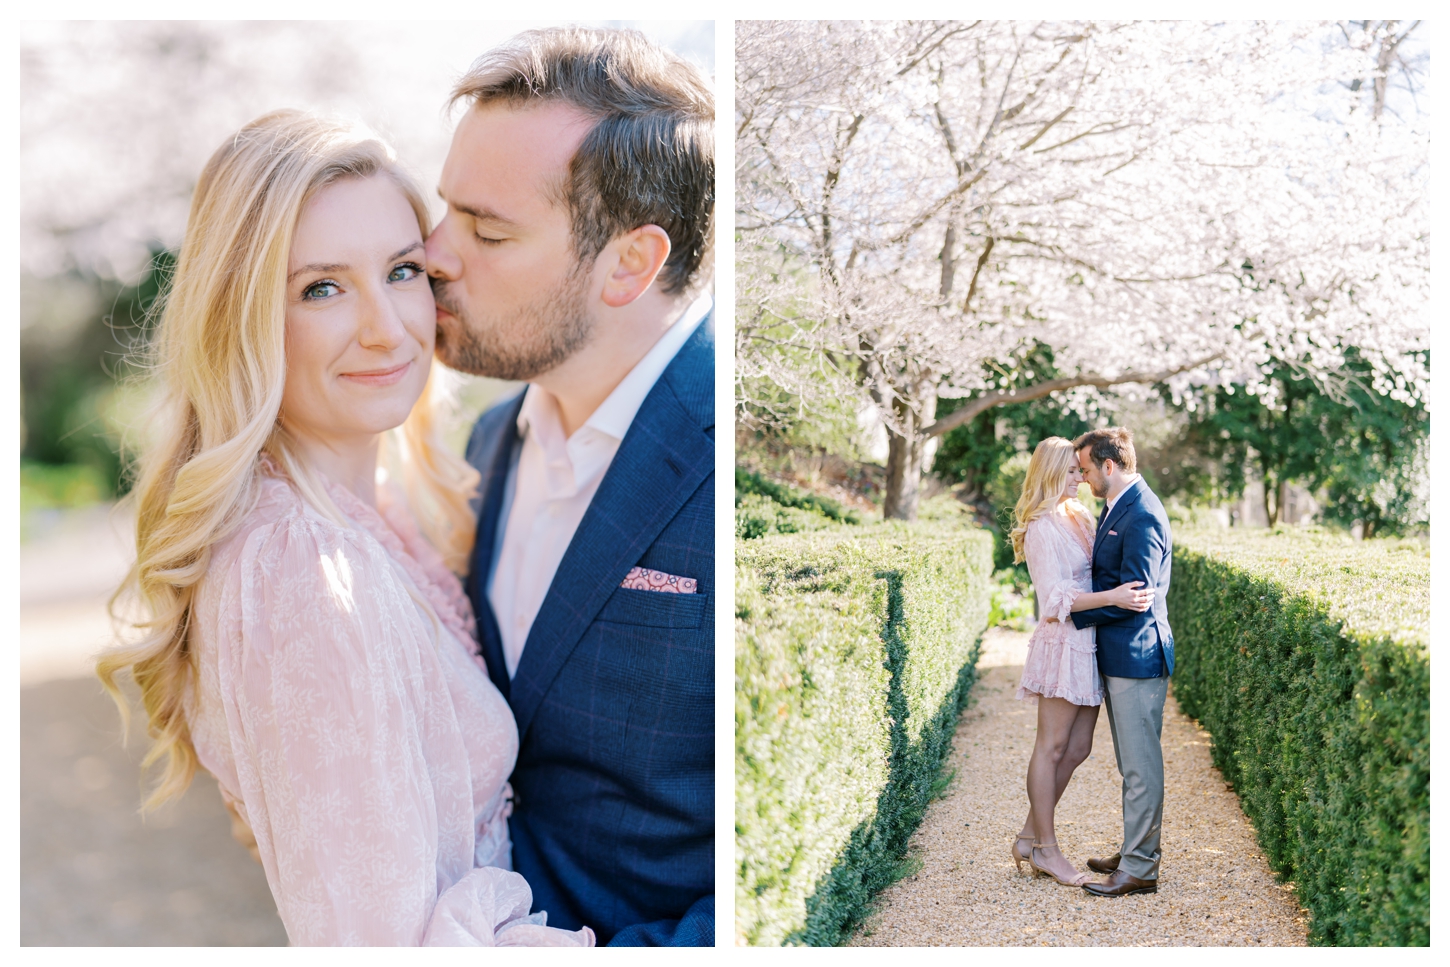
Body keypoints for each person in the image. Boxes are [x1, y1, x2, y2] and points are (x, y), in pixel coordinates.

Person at [96, 110, 592, 947]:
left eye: (402, 271)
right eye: (321, 287)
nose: (386, 326)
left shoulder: (375, 514)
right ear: (243, 318)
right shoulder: (305, 577)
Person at [425, 27, 714, 945]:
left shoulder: (726, 462)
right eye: (446, 212)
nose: (432, 252)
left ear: (629, 262)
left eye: (487, 229)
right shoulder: (483, 442)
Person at [1008, 437, 1155, 887]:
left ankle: (1028, 835)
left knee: (1078, 748)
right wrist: (1112, 596)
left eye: (1081, 470)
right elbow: (1053, 598)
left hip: (1088, 641)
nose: (1080, 478)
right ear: (1052, 473)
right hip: (1062, 642)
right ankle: (1047, 849)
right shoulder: (1039, 527)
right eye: (1072, 472)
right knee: (1051, 746)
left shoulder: (1079, 516)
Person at [1068, 426, 1175, 899]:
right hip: (1120, 652)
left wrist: (1075, 609)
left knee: (1140, 766)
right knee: (1130, 764)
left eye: (1088, 469)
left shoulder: (1144, 513)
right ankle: (1136, 849)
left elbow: (1137, 596)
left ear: (1109, 466)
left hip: (1137, 654)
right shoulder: (1117, 505)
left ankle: (1140, 868)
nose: (1085, 478)